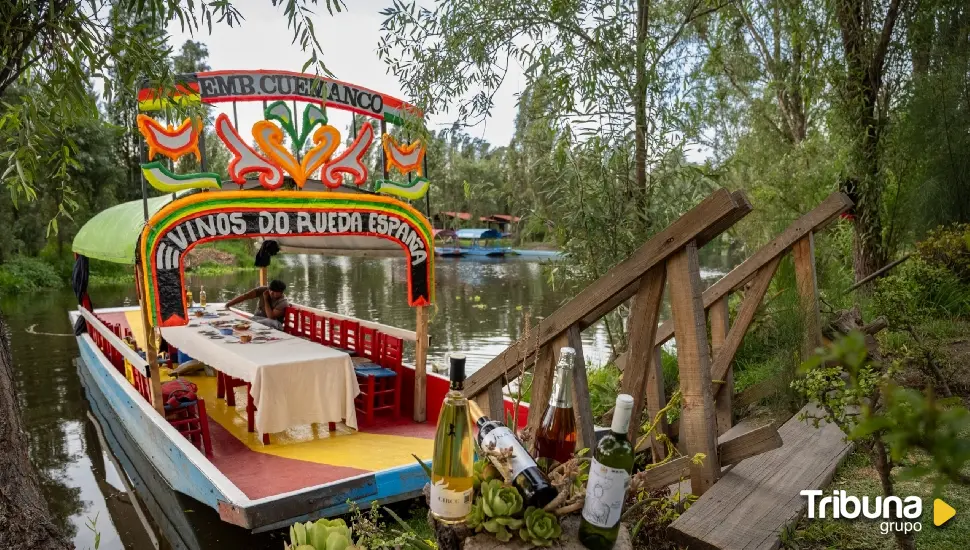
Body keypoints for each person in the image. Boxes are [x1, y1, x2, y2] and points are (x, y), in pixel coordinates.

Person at [224, 279, 290, 330]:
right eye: (270, 290)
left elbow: (271, 317)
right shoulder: (264, 290)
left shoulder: (283, 302)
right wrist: (228, 304)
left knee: (261, 322)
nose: (271, 293)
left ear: (281, 293)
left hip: (275, 323)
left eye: (275, 292)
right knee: (246, 321)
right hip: (259, 319)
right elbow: (246, 296)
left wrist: (266, 299)